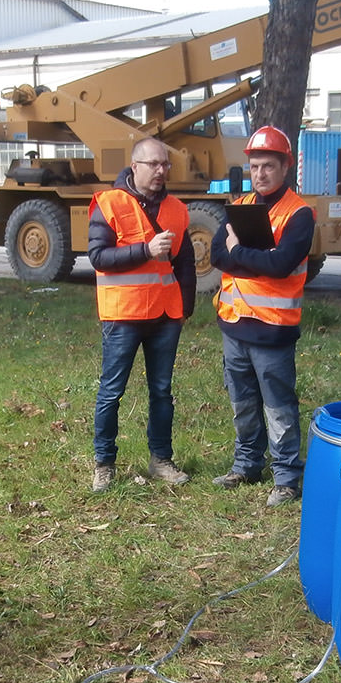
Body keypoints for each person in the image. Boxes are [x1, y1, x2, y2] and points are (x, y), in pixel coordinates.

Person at [210, 126, 313, 508]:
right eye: (254, 166)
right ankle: (247, 464)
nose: (261, 174)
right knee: (242, 401)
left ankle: (287, 477)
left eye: (269, 165)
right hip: (234, 324)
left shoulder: (299, 214)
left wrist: (241, 254)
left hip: (272, 330)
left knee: (278, 405)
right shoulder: (240, 205)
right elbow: (218, 256)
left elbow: (283, 264)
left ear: (285, 167)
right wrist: (252, 258)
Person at [87, 137, 197, 493]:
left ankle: (161, 459)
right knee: (111, 392)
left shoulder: (178, 210)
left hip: (165, 315)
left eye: (165, 164)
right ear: (135, 167)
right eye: (153, 164)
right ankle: (104, 464)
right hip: (123, 315)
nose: (161, 171)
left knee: (162, 391)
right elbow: (98, 257)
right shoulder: (109, 203)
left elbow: (185, 263)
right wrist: (145, 250)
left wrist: (186, 308)